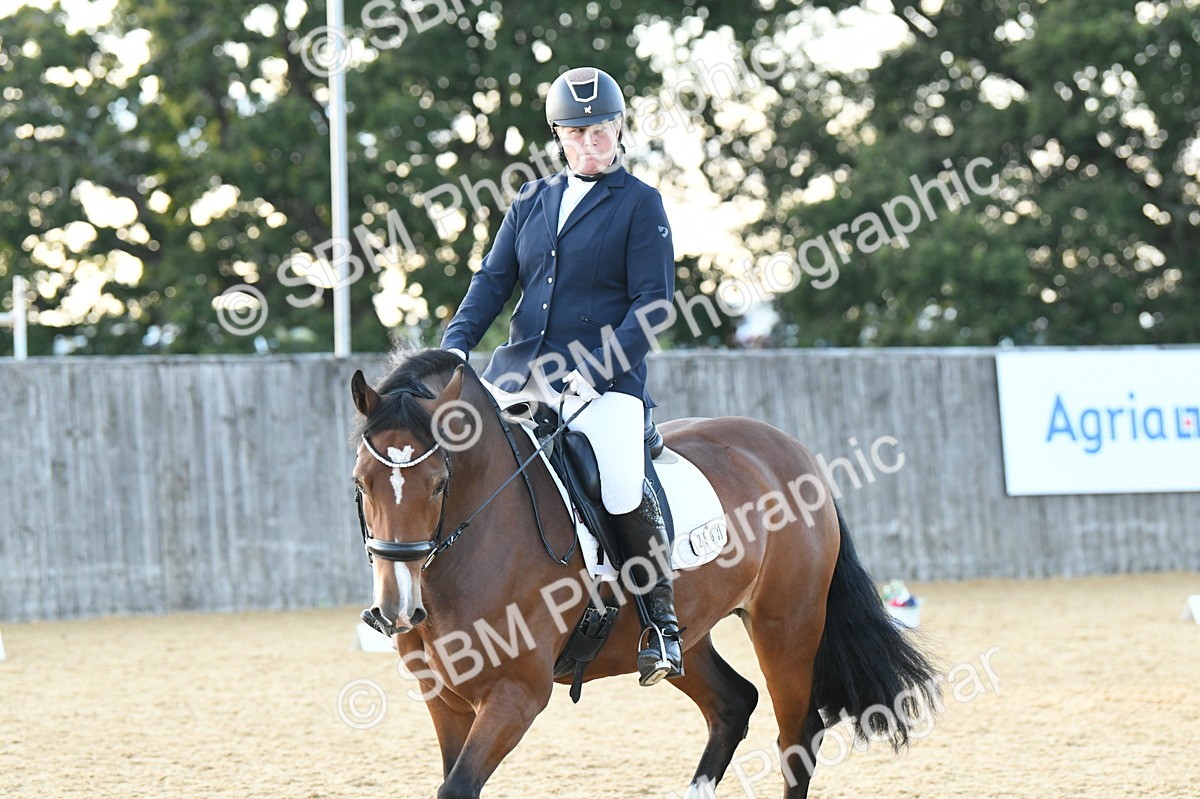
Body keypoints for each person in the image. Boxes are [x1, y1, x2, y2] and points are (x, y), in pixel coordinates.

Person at [440, 66, 681, 686]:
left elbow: (653, 305)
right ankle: (423, 599)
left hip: (604, 382)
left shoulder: (639, 203)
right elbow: (492, 282)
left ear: (619, 129)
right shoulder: (531, 201)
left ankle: (660, 625)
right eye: (576, 133)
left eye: (600, 131)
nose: (589, 143)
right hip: (519, 375)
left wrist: (593, 371)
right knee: (447, 461)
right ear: (558, 135)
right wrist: (455, 348)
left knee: (623, 486)